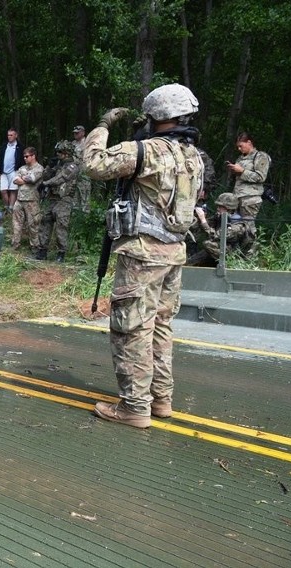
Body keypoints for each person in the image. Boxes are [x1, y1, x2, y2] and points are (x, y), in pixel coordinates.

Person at [82, 83, 204, 429]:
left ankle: (135, 407)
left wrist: (103, 126)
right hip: (174, 253)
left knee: (131, 327)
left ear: (154, 116)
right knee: (161, 325)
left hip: (143, 254)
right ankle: (161, 399)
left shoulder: (148, 151)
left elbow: (93, 164)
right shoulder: (193, 155)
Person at [35, 141, 79, 262]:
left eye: (60, 152)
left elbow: (62, 178)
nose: (58, 154)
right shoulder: (58, 165)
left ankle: (61, 253)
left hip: (64, 200)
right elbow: (45, 176)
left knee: (61, 225)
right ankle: (42, 250)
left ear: (67, 153)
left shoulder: (72, 166)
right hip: (52, 198)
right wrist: (49, 167)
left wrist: (45, 184)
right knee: (45, 221)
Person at [186, 192, 254, 267]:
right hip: (221, 249)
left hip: (232, 254)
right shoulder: (220, 216)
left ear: (229, 208)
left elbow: (215, 236)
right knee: (189, 263)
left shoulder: (237, 226)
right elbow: (204, 226)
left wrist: (203, 220)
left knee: (209, 244)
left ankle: (224, 265)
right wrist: (200, 218)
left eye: (220, 207)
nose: (217, 208)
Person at [227, 132, 270, 225]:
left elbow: (261, 177)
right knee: (235, 225)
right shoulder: (240, 158)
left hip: (250, 199)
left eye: (241, 146)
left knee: (248, 227)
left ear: (249, 142)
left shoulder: (260, 156)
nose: (239, 149)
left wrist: (242, 171)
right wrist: (234, 171)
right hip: (237, 196)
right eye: (238, 147)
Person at [10, 147, 44, 254]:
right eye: (24, 156)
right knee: (16, 223)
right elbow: (15, 180)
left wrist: (23, 179)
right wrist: (26, 179)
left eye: (27, 156)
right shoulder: (22, 168)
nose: (25, 158)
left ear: (33, 156)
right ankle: (15, 244)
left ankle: (35, 246)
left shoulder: (39, 168)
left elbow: (33, 179)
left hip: (32, 200)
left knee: (33, 224)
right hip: (19, 199)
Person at [0, 128, 25, 212]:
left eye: (11, 135)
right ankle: (6, 207)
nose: (9, 137)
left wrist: (20, 171)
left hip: (14, 171)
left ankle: (11, 208)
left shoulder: (19, 147)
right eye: (8, 135)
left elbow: (22, 159)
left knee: (13, 190)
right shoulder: (4, 145)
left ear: (16, 136)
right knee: (3, 190)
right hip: (4, 172)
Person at [71, 125, 92, 212]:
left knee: (84, 193)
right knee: (74, 193)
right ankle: (76, 214)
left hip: (83, 173)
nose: (75, 134)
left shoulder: (87, 144)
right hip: (73, 173)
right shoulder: (72, 144)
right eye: (74, 133)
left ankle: (85, 215)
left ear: (83, 133)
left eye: (77, 133)